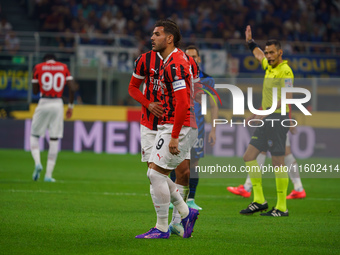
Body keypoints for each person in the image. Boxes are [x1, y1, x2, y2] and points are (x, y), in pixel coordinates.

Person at [128, 31, 200, 237]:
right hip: (154, 125)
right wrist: (148, 104)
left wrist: (180, 130)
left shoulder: (179, 62)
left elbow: (188, 97)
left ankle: (174, 222)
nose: (151, 38)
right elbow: (132, 87)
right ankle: (180, 217)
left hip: (177, 123)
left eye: (157, 34)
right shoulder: (146, 59)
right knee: (155, 172)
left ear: (169, 38)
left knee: (177, 172)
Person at [239, 25, 294, 217]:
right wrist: (250, 43)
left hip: (278, 119)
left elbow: (287, 96)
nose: (268, 56)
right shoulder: (269, 67)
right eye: (267, 52)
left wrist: (266, 112)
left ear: (280, 53)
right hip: (266, 118)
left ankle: (281, 207)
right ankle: (259, 200)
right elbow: (258, 56)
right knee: (249, 156)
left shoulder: (285, 70)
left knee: (278, 162)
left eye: (272, 53)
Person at [170, 45, 218, 211]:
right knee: (175, 162)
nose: (192, 59)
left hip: (197, 128)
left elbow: (213, 106)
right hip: (179, 126)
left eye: (195, 56)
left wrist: (213, 129)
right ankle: (174, 198)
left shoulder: (208, 80)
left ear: (199, 59)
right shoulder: (178, 76)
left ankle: (190, 199)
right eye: (188, 56)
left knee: (194, 164)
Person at [31, 54, 76, 182]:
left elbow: (34, 91)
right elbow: (72, 87)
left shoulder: (38, 67)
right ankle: (48, 175)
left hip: (44, 101)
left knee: (34, 136)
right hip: (57, 103)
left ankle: (37, 162)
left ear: (45, 60)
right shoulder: (63, 67)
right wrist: (71, 106)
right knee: (54, 139)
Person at [227, 128, 306, 199]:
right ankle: (298, 188)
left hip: (272, 122)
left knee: (261, 152)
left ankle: (247, 187)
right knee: (285, 154)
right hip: (276, 121)